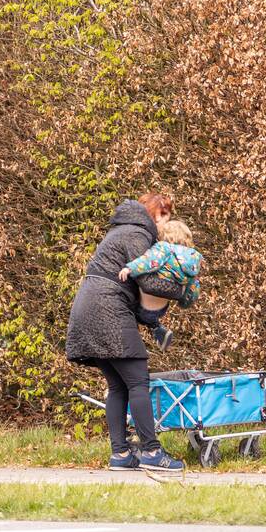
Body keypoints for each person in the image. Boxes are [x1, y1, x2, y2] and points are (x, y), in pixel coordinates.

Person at [65, 193, 186, 472]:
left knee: (118, 385)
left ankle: (120, 454)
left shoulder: (122, 230)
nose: (167, 222)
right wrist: (184, 290)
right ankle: (152, 452)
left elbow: (137, 294)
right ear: (154, 212)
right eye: (165, 215)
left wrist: (155, 324)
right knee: (138, 382)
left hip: (89, 308)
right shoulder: (137, 233)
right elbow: (150, 282)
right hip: (107, 310)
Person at [118, 220, 202, 352]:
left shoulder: (164, 248)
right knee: (146, 319)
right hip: (162, 307)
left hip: (146, 302)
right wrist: (184, 302)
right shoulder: (194, 259)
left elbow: (149, 261)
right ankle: (156, 329)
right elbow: (193, 286)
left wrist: (130, 268)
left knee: (125, 304)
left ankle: (133, 346)